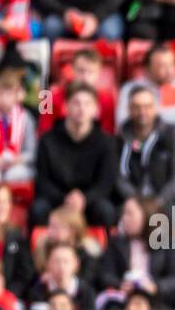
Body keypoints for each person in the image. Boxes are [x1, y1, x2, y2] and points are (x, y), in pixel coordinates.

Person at [32, 81, 119, 227]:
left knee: (106, 211)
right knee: (38, 209)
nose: (82, 109)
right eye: (76, 103)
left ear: (96, 110)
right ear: (65, 107)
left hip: (90, 201)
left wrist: (84, 199)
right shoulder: (47, 140)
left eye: (87, 104)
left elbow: (106, 183)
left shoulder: (106, 142)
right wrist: (65, 199)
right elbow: (42, 180)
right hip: (56, 200)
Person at [115, 84, 175, 211]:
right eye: (137, 107)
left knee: (173, 214)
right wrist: (136, 200)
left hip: (164, 199)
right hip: (132, 199)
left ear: (156, 108)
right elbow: (119, 178)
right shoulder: (120, 138)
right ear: (129, 109)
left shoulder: (172, 135)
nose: (142, 112)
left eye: (147, 106)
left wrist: (159, 201)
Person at [116, 43, 175, 146]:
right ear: (147, 69)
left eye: (171, 64)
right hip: (141, 148)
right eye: (162, 65)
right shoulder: (130, 88)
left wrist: (148, 113)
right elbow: (123, 119)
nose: (169, 70)